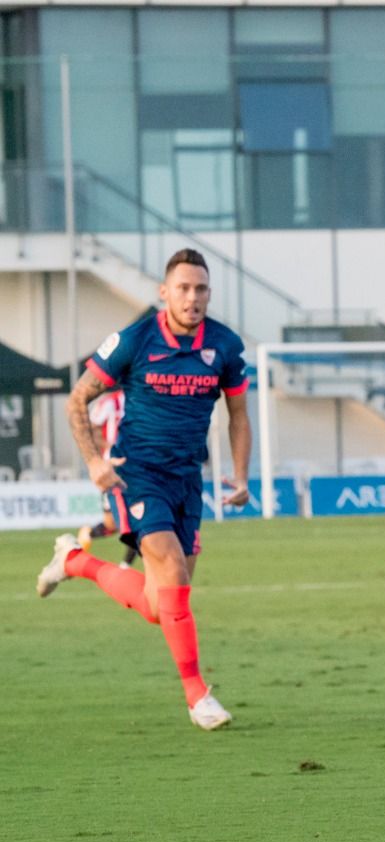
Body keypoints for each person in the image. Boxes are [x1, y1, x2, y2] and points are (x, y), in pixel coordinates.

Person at [35, 248, 253, 730]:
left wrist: (241, 474)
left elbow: (238, 415)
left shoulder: (225, 346)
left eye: (200, 289)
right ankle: (198, 696)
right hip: (136, 473)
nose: (192, 298)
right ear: (164, 292)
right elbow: (79, 398)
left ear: (209, 294)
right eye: (183, 288)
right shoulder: (134, 341)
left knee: (161, 605)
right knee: (172, 567)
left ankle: (74, 561)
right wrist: (94, 461)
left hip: (186, 481)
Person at [77, 387, 140, 569]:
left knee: (134, 519)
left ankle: (125, 567)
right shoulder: (109, 402)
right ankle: (88, 533)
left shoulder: (144, 396)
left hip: (139, 468)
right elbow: (90, 428)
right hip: (112, 469)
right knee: (111, 524)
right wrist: (104, 448)